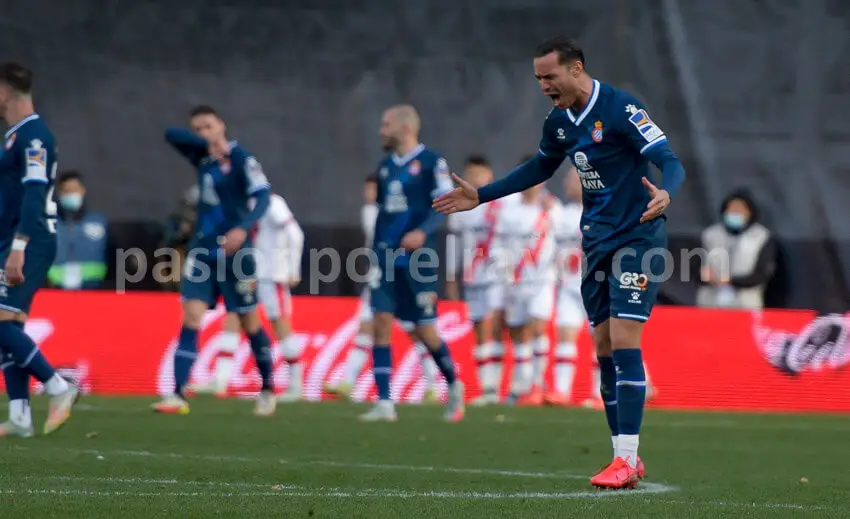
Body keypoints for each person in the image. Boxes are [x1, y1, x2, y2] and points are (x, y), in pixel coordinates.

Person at [434, 37, 686, 489]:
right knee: (604, 346)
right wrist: (482, 195)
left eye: (550, 76)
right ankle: (624, 456)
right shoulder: (559, 123)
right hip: (597, 243)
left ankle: (626, 458)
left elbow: (668, 158)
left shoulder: (621, 107)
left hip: (639, 237)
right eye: (538, 79)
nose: (544, 85)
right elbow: (540, 168)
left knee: (626, 339)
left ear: (576, 69)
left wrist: (668, 190)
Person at [152, 105, 277, 417]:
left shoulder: (242, 160)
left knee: (249, 322)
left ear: (223, 124)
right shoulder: (203, 156)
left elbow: (263, 197)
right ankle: (178, 394)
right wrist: (204, 142)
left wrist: (242, 228)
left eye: (208, 126)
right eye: (198, 128)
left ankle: (268, 388)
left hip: (237, 253)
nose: (203, 133)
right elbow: (170, 135)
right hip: (203, 250)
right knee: (191, 316)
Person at [359, 105, 464, 422]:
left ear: (404, 128)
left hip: (419, 260)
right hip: (386, 258)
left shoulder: (433, 162)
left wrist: (423, 231)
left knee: (425, 330)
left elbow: (447, 203)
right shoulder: (385, 166)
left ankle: (455, 385)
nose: (381, 130)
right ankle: (385, 403)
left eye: (385, 124)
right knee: (380, 322)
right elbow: (382, 214)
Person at [0, 62, 79, 438]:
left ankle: (59, 387)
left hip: (28, 240)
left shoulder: (34, 136)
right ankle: (19, 416)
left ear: (4, 91)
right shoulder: (17, 135)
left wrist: (18, 247)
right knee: (9, 325)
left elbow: (34, 194)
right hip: (15, 238)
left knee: (1, 322)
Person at [327, 176, 441, 403]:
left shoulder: (387, 212)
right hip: (380, 276)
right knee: (366, 326)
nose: (369, 193)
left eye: (373, 189)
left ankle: (434, 383)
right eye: (367, 189)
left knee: (416, 331)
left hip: (402, 276)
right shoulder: (371, 211)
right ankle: (348, 381)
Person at [445, 155, 506, 406]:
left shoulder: (502, 204)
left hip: (498, 275)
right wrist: (451, 276)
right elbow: (454, 245)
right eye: (471, 173)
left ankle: (499, 388)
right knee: (480, 329)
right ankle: (488, 389)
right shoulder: (459, 209)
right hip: (472, 276)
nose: (476, 178)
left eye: (480, 173)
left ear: (490, 176)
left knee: (493, 326)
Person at [489, 182, 557, 406]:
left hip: (543, 279)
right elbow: (498, 244)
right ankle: (523, 384)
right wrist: (504, 272)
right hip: (516, 280)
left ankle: (538, 384)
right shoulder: (508, 212)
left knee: (538, 326)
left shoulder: (551, 209)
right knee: (518, 332)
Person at [697, 189, 776, 309]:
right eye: (731, 209)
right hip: (710, 305)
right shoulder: (710, 235)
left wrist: (730, 280)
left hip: (745, 306)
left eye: (740, 210)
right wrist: (703, 275)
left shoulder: (761, 237)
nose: (735, 213)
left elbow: (762, 273)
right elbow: (693, 268)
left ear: (750, 212)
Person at [48, 171, 109, 290]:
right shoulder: (51, 224)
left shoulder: (99, 221)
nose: (71, 194)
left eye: (75, 190)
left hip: (95, 291)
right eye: (66, 191)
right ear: (59, 194)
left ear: (83, 190)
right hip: (55, 291)